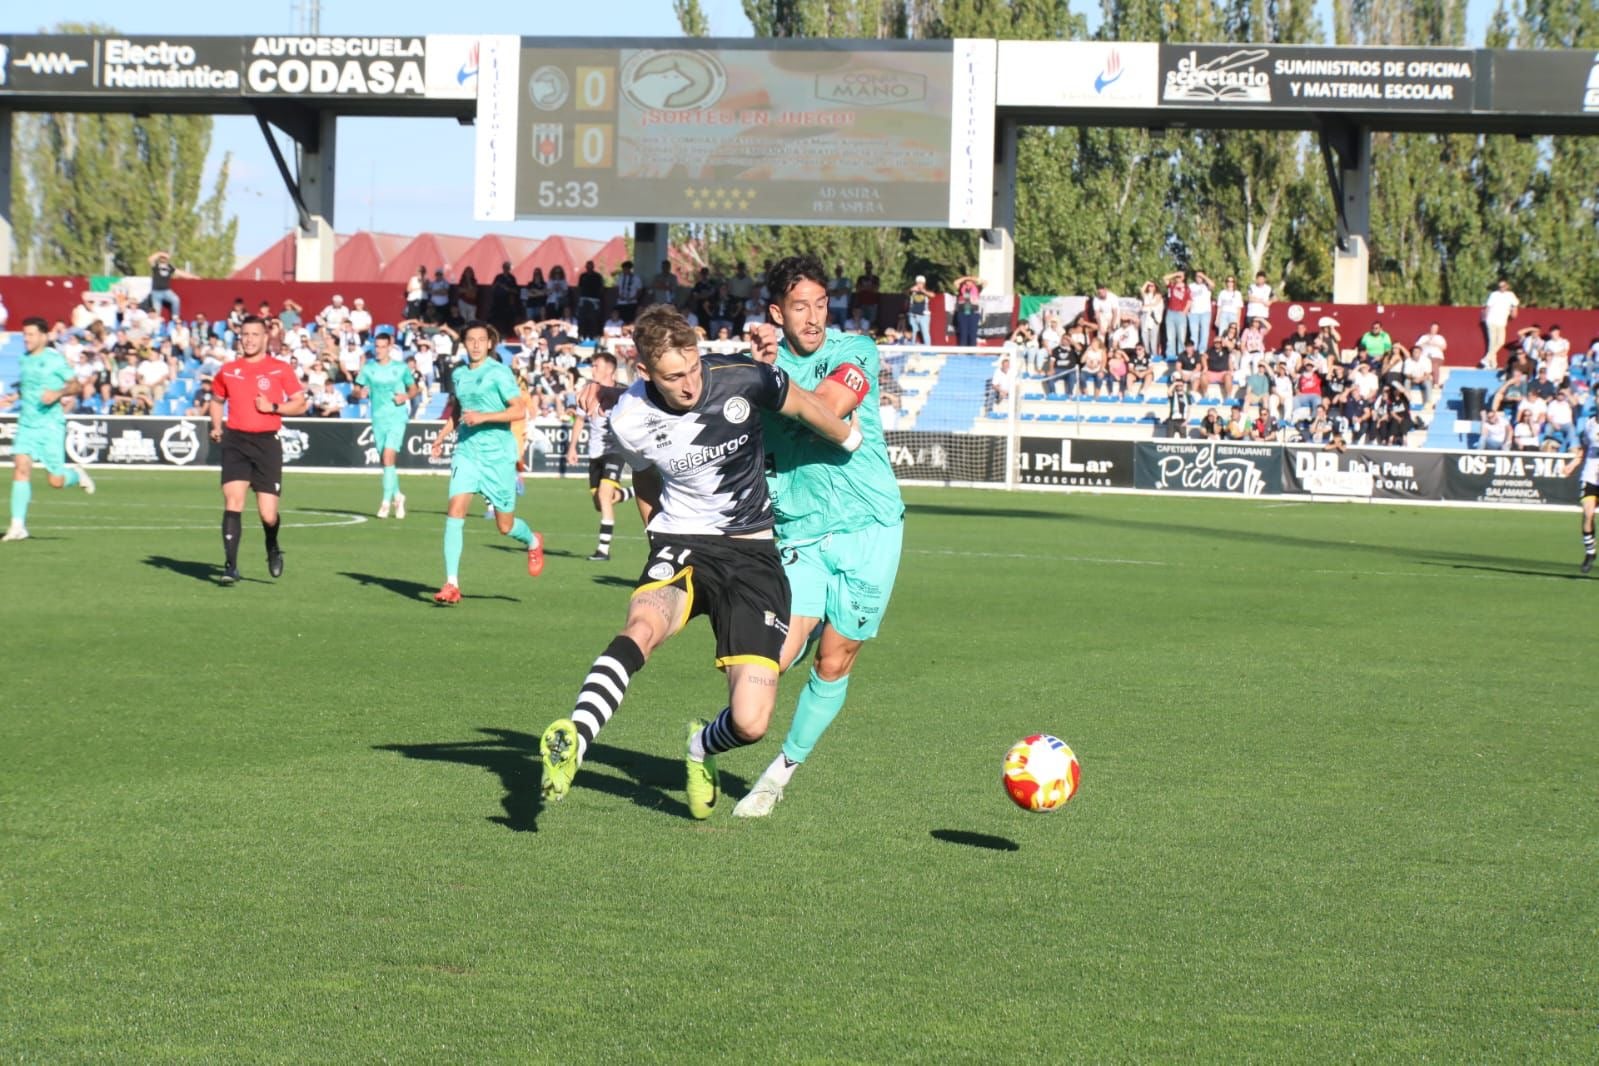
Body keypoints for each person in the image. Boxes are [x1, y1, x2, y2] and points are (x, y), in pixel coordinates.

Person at [537, 303, 862, 816]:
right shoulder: (630, 419)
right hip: (684, 541)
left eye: (692, 368)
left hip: (753, 551)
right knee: (643, 625)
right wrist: (655, 538)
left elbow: (800, 403)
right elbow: (644, 478)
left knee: (752, 722)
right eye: (674, 377)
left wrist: (848, 436)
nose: (689, 385)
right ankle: (575, 738)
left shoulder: (741, 377)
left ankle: (699, 747)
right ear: (644, 373)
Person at [732, 254, 908, 817]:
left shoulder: (854, 351)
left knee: (834, 662)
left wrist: (767, 381)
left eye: (821, 305)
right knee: (773, 657)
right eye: (799, 307)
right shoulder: (753, 367)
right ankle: (712, 740)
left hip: (871, 527)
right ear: (777, 313)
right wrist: (750, 372)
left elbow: (829, 407)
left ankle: (777, 776)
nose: (813, 318)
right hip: (801, 531)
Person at [427, 322, 544, 603]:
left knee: (504, 526)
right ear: (465, 343)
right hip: (467, 452)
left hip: (497, 457)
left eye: (482, 339)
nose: (476, 344)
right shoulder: (459, 375)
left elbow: (518, 410)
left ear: (490, 344)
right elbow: (458, 409)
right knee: (455, 510)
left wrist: (483, 417)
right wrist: (442, 435)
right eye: (471, 339)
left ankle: (533, 541)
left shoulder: (499, 373)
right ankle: (451, 583)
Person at [208, 316, 307, 584]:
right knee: (233, 501)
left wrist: (273, 408)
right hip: (236, 441)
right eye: (245, 334)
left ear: (265, 338)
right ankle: (230, 566)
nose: (249, 339)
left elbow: (300, 404)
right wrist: (216, 425)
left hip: (267, 443)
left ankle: (272, 545)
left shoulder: (280, 369)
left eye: (255, 334)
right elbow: (216, 400)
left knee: (268, 514)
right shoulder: (228, 370)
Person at [3, 318, 96, 542]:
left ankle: (76, 474)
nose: (26, 338)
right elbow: (30, 387)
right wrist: (14, 397)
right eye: (25, 334)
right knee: (21, 467)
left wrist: (57, 394)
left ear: (44, 337)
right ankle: (17, 526)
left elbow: (75, 385)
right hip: (27, 423)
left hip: (50, 425)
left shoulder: (54, 360)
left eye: (31, 334)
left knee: (56, 481)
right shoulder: (24, 359)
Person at [563, 351, 637, 562]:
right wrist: (572, 447)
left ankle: (603, 550)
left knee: (604, 496)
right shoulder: (588, 391)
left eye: (596, 365)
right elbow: (579, 420)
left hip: (614, 451)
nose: (592, 368)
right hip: (595, 453)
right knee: (600, 502)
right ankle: (634, 491)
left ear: (610, 369)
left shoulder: (624, 393)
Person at [354, 332, 420, 519]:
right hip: (378, 418)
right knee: (386, 462)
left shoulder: (400, 368)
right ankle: (398, 496)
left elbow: (414, 388)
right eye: (377, 346)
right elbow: (356, 389)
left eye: (383, 346)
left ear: (390, 347)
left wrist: (405, 396)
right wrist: (361, 393)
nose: (379, 350)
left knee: (389, 456)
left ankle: (385, 503)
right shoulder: (368, 369)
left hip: (397, 417)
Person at [1560, 408, 1599, 573]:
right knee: (1588, 514)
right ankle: (1590, 553)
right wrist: (1573, 465)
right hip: (1590, 475)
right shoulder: (1590, 423)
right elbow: (1584, 447)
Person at [1482, 278, 1519, 367]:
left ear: (1507, 286)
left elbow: (1515, 306)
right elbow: (1488, 307)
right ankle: (1492, 364)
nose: (1501, 288)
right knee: (1492, 342)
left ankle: (1486, 359)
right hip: (1491, 321)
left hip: (1502, 322)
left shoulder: (1510, 295)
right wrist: (1485, 318)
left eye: (1503, 286)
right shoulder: (1494, 294)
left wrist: (1514, 313)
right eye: (1500, 286)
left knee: (1501, 342)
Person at [147, 251, 180, 320]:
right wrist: (160, 253)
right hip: (156, 292)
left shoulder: (169, 267)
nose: (163, 259)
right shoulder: (156, 266)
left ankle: (175, 317)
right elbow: (150, 259)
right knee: (156, 314)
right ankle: (157, 327)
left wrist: (194, 277)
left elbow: (180, 273)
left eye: (165, 258)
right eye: (162, 257)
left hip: (166, 291)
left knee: (176, 300)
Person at [952, 275, 983, 347]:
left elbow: (985, 282)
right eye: (967, 281)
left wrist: (972, 278)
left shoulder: (977, 288)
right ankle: (962, 354)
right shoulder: (961, 287)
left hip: (973, 313)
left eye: (970, 281)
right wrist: (966, 278)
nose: (968, 282)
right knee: (963, 333)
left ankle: (972, 354)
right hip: (963, 312)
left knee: (972, 334)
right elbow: (955, 282)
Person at [906, 275, 932, 345]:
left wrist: (924, 291)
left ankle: (928, 349)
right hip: (913, 315)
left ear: (924, 284)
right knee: (913, 333)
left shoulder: (926, 290)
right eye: (918, 283)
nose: (919, 284)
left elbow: (933, 295)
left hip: (924, 316)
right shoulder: (913, 290)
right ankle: (912, 348)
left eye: (921, 283)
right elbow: (906, 293)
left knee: (925, 332)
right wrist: (911, 290)